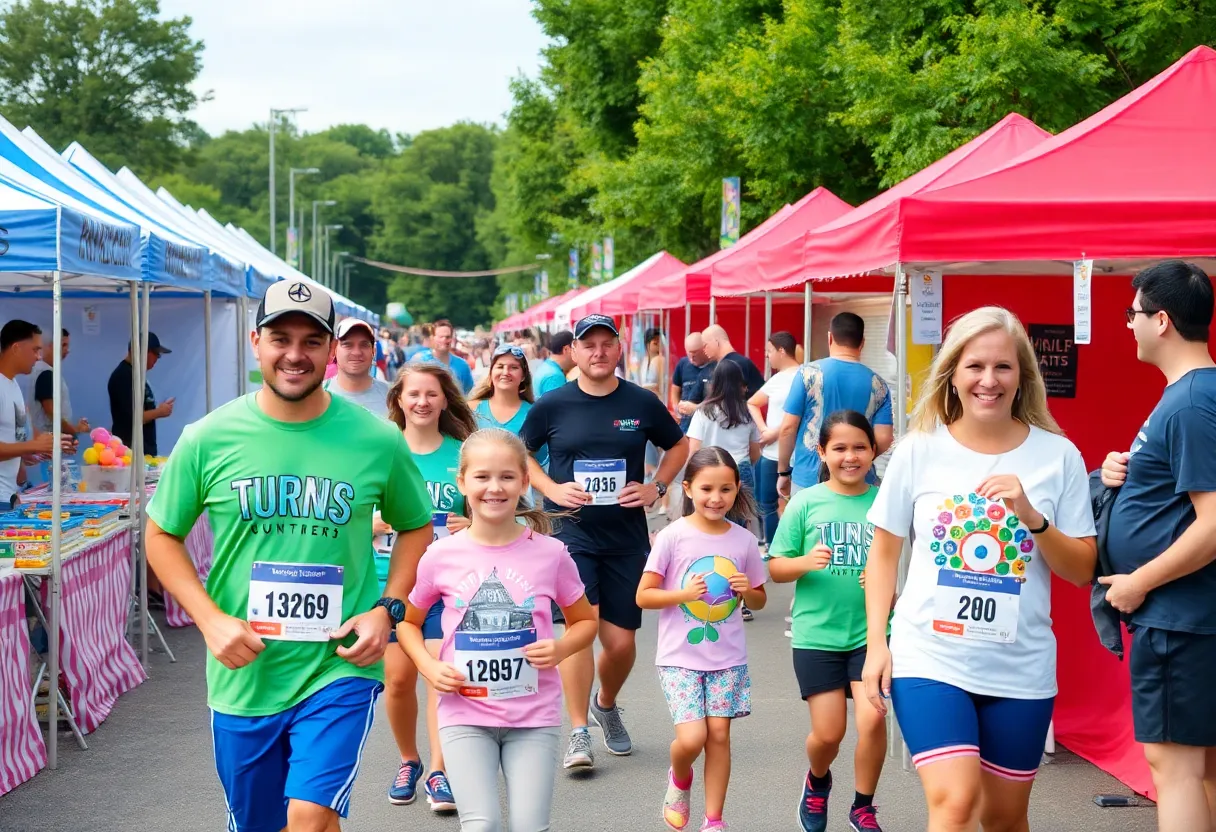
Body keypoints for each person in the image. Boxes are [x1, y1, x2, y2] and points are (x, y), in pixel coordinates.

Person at [144, 279, 434, 832]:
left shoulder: (376, 440)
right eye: (281, 338)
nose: (295, 354)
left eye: (311, 340)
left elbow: (416, 528)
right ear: (256, 342)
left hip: (338, 664)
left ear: (330, 351)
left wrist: (386, 610)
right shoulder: (208, 437)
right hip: (245, 673)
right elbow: (161, 535)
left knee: (306, 815)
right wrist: (209, 621)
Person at [861, 307, 1096, 832]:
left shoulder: (1059, 457)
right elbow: (883, 553)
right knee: (955, 803)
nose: (988, 380)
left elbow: (1082, 569)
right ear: (952, 373)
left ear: (1022, 377)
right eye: (975, 366)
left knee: (1005, 818)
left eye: (1003, 368)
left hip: (1021, 668)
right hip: (930, 658)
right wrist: (879, 643)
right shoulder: (918, 450)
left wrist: (1033, 518)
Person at [401, 428, 598, 832]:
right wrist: (428, 665)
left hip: (533, 715)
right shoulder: (440, 555)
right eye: (482, 477)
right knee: (482, 824)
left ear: (525, 481)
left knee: (529, 826)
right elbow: (407, 622)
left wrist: (560, 650)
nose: (495, 488)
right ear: (462, 482)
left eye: (507, 477)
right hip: (463, 712)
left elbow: (585, 622)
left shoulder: (551, 553)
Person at [520, 313, 689, 769]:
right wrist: (551, 490)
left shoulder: (642, 402)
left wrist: (657, 486)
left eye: (605, 344)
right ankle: (578, 731)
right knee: (580, 630)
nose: (597, 352)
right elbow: (523, 455)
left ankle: (605, 704)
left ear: (618, 350)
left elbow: (679, 446)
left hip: (625, 535)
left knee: (619, 643)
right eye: (587, 344)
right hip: (569, 531)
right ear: (573, 352)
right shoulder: (552, 405)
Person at [1097, 260, 1216, 831]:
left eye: (1133, 314)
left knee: (1176, 769)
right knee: (1201, 768)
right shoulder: (1191, 397)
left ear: (1162, 320)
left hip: (1179, 619)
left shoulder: (1193, 402)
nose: (1129, 325)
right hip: (1186, 617)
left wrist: (1138, 582)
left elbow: (1213, 524)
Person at [768, 410, 890, 832]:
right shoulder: (806, 501)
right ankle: (817, 782)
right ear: (822, 451)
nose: (850, 456)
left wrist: (887, 588)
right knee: (828, 733)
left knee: (873, 719)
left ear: (874, 451)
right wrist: (804, 561)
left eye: (860, 447)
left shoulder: (885, 503)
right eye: (839, 448)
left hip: (871, 634)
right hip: (817, 634)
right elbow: (776, 567)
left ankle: (863, 806)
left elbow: (901, 566)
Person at [637, 447, 766, 832]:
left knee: (720, 736)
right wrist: (683, 595)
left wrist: (748, 591)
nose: (716, 498)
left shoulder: (743, 541)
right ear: (688, 488)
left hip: (727, 657)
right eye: (707, 488)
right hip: (680, 656)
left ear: (736, 488)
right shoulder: (673, 537)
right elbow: (643, 596)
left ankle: (714, 820)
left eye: (726, 489)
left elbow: (758, 597)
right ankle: (680, 776)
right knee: (692, 738)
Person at [380, 362, 478, 812]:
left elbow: (494, 507)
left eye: (431, 394)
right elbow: (350, 513)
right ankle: (409, 760)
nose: (422, 402)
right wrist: (373, 522)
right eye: (413, 394)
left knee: (440, 677)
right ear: (398, 399)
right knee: (399, 682)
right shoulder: (380, 451)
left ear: (444, 400)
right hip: (391, 585)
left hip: (446, 588)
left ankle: (441, 770)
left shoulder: (462, 454)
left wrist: (471, 523)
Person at [778, 314, 893, 500]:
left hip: (809, 478)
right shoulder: (878, 384)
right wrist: (854, 462)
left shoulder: (808, 374)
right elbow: (885, 438)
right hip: (860, 482)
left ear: (830, 337)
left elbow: (787, 428)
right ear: (862, 342)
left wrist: (783, 471)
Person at [1, 321, 71, 510]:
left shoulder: (12, 385)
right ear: (16, 348)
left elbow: (12, 441)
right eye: (35, 350)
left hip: (10, 495)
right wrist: (31, 446)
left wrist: (41, 449)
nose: (38, 357)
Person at [748, 331, 801, 546]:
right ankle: (773, 547)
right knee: (766, 503)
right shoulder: (776, 379)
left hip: (798, 453)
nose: (768, 356)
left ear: (781, 350)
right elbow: (752, 403)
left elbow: (802, 415)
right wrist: (763, 429)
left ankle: (794, 547)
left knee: (797, 503)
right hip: (770, 453)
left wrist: (773, 432)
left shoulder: (805, 376)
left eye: (770, 351)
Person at [686, 361, 762, 500]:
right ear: (740, 384)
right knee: (740, 518)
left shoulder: (703, 412)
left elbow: (694, 450)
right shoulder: (747, 413)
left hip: (709, 468)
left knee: (711, 515)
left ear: (714, 383)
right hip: (741, 470)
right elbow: (755, 453)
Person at [107, 331, 173, 457]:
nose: (157, 360)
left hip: (143, 450)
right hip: (131, 453)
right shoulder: (123, 377)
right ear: (144, 352)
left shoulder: (135, 375)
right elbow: (132, 418)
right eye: (156, 355)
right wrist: (159, 412)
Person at [324, 319, 393, 418]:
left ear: (373, 351)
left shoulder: (393, 397)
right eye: (347, 345)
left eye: (364, 345)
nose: (356, 352)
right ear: (334, 349)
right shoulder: (317, 396)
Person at [411, 320, 474, 394]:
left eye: (448, 337)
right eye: (440, 337)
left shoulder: (462, 365)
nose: (444, 340)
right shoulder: (420, 360)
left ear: (452, 339)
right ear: (433, 337)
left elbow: (466, 390)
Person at [670, 333, 717, 433]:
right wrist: (677, 408)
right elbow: (675, 389)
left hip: (707, 422)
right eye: (689, 354)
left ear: (704, 349)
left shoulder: (716, 367)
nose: (692, 358)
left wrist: (696, 408)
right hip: (686, 423)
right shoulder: (683, 364)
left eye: (695, 354)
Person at [701, 324, 764, 396]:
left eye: (705, 345)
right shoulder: (740, 362)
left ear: (716, 342)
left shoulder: (735, 364)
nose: (703, 350)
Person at [532, 330, 575, 399]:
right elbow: (558, 408)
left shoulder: (547, 366)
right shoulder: (554, 377)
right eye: (575, 348)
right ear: (566, 349)